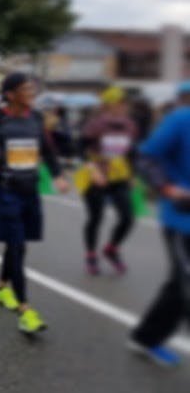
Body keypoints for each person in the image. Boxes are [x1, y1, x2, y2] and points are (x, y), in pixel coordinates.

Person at [0, 72, 68, 334]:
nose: (31, 93)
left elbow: (47, 149)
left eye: (32, 89)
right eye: (25, 89)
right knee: (17, 245)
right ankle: (25, 310)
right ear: (11, 94)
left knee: (18, 244)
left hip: (29, 189)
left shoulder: (35, 118)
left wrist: (58, 175)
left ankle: (1, 286)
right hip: (5, 189)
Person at [128, 90, 190, 367]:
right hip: (182, 220)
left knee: (179, 284)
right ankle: (146, 338)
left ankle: (146, 337)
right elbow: (146, 158)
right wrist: (167, 188)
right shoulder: (181, 120)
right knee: (184, 283)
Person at [74, 86, 137, 276]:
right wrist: (93, 169)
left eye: (125, 103)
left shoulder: (129, 125)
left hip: (118, 176)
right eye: (119, 103)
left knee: (128, 217)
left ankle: (111, 249)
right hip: (96, 175)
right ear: (108, 105)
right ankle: (91, 255)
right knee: (96, 217)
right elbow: (79, 148)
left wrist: (132, 175)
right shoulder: (96, 125)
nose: (123, 106)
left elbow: (131, 153)